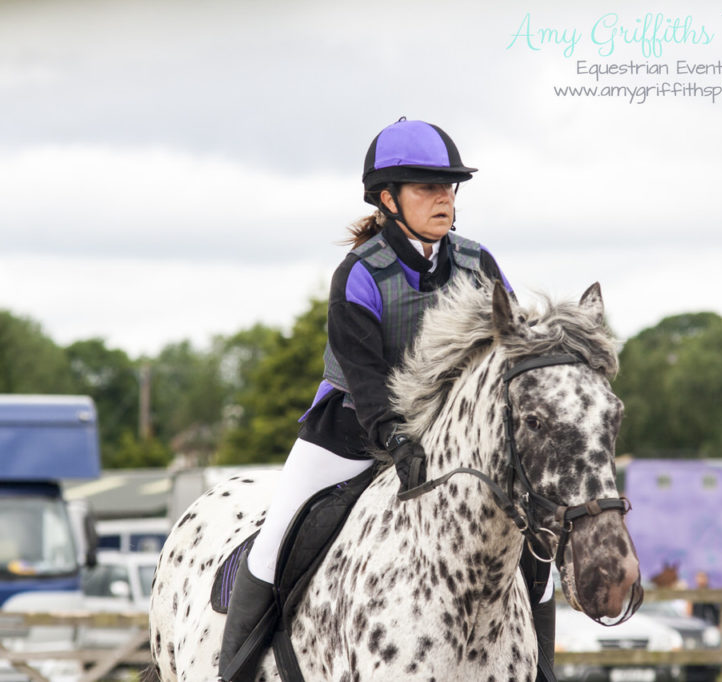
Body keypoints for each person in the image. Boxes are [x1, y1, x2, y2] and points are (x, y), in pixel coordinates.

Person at [218, 118, 554, 681]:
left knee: (536, 550)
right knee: (273, 544)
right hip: (351, 431)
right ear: (386, 199)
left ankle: (542, 670)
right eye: (427, 187)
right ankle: (233, 670)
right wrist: (396, 437)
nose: (444, 197)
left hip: (452, 444)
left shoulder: (480, 265)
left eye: (449, 187)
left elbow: (510, 354)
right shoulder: (359, 273)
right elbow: (367, 378)